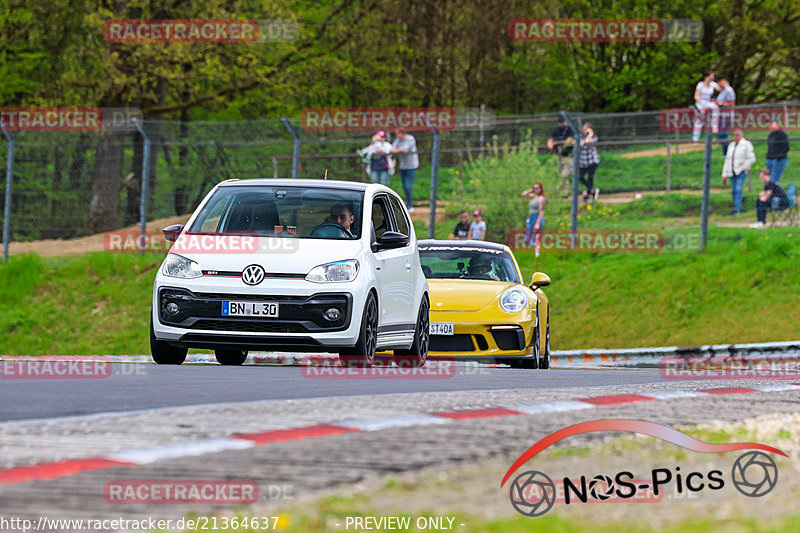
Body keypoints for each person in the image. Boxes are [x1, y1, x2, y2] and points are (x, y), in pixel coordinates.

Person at [721, 128, 756, 215]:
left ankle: (737, 209)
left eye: (738, 135)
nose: (736, 137)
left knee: (738, 189)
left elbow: (751, 158)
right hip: (731, 171)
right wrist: (724, 173)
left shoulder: (746, 144)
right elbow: (727, 160)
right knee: (733, 190)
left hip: (740, 171)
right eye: (735, 135)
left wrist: (744, 167)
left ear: (742, 135)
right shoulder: (731, 145)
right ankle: (736, 208)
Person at [391, 128, 419, 211]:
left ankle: (410, 205)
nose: (396, 135)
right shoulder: (397, 140)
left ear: (402, 133)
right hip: (403, 166)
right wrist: (398, 149)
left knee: (408, 186)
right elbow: (392, 149)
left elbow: (404, 150)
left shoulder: (410, 139)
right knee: (404, 186)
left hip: (411, 166)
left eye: (397, 133)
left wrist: (398, 149)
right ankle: (408, 204)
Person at [546, 118, 575, 197]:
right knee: (560, 174)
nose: (561, 125)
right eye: (560, 123)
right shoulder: (557, 130)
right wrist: (550, 143)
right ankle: (563, 192)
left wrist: (555, 143)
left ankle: (562, 190)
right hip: (560, 155)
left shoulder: (570, 129)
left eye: (562, 123)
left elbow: (569, 141)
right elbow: (551, 138)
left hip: (569, 156)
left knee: (565, 174)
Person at [692, 70, 720, 143]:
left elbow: (721, 89)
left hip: (708, 102)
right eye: (710, 76)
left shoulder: (713, 84)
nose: (712, 78)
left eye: (712, 77)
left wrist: (716, 84)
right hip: (700, 103)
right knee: (699, 119)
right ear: (706, 77)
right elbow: (696, 97)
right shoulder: (700, 84)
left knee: (716, 107)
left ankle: (714, 125)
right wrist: (703, 105)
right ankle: (695, 138)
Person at [521, 181, 546, 257]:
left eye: (537, 188)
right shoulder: (533, 196)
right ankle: (531, 254)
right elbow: (523, 194)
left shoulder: (541, 199)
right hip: (531, 218)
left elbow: (541, 212)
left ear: (540, 189)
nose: (535, 190)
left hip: (537, 218)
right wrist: (531, 190)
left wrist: (537, 224)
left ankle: (537, 255)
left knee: (535, 238)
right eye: (534, 188)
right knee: (528, 238)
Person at [713, 75, 736, 155]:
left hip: (727, 116)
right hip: (721, 116)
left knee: (722, 135)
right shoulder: (723, 91)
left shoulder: (729, 90)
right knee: (721, 136)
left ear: (724, 81)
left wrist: (720, 103)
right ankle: (726, 154)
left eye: (720, 82)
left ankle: (729, 153)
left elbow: (731, 104)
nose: (718, 84)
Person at [578, 122, 600, 202]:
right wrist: (585, 139)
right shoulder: (580, 136)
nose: (583, 130)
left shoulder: (594, 137)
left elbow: (588, 141)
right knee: (580, 177)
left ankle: (587, 196)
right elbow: (582, 143)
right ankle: (593, 191)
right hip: (583, 162)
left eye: (585, 129)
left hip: (592, 161)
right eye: (583, 129)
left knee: (590, 177)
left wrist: (590, 134)